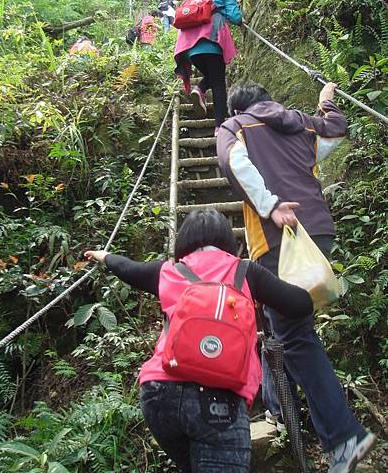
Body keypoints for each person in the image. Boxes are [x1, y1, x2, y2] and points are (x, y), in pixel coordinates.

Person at [216, 81, 376, 473]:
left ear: (239, 108)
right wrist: (326, 103)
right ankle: (280, 410)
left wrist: (269, 206)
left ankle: (344, 438)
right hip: (319, 233)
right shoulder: (299, 124)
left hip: (280, 239)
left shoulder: (233, 126)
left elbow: (233, 162)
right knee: (279, 327)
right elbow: (334, 132)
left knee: (295, 336)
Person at [85, 208, 317, 473]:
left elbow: (128, 268)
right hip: (221, 397)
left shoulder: (169, 271)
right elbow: (301, 304)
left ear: (184, 240)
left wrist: (104, 257)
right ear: (229, 240)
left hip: (160, 392)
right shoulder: (246, 271)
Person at [174, 0, 242, 135]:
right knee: (219, 83)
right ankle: (220, 127)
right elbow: (236, 17)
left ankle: (200, 89)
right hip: (212, 43)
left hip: (190, 49)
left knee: (212, 77)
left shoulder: (195, 0)